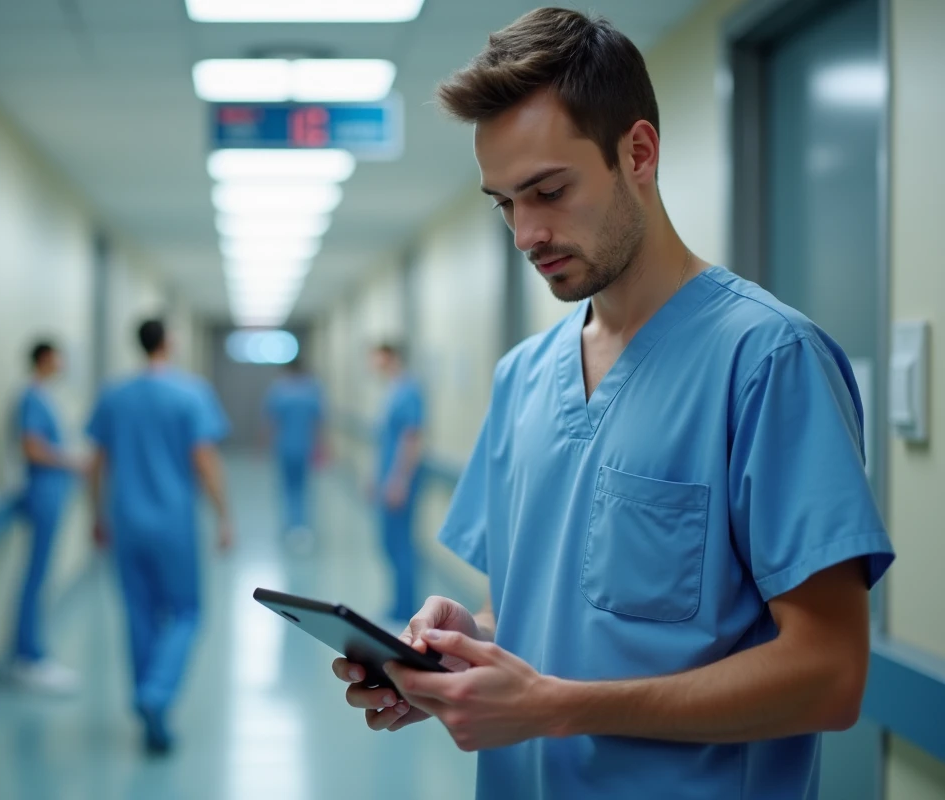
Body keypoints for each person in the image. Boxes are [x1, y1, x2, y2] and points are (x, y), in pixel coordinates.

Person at [332, 8, 895, 799]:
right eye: (504, 203)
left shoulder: (767, 363)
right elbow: (529, 619)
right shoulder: (523, 379)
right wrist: (464, 653)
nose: (526, 233)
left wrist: (554, 710)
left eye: (549, 190)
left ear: (638, 152)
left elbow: (830, 675)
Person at [86, 319, 233, 755]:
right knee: (186, 612)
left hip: (126, 523)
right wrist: (225, 516)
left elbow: (97, 463)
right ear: (168, 343)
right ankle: (156, 694)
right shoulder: (190, 393)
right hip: (174, 525)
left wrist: (97, 514)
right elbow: (204, 459)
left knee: (139, 614)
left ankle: (151, 712)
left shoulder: (114, 396)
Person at [10, 341, 83, 694]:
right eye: (57, 356)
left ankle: (33, 651)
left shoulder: (44, 396)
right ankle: (28, 656)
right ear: (42, 359)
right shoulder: (31, 397)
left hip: (53, 493)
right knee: (35, 575)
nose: (62, 363)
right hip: (43, 493)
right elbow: (32, 447)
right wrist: (72, 462)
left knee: (41, 574)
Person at [371, 343, 425, 623]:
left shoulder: (408, 391)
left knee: (401, 544)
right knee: (390, 543)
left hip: (400, 481)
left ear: (392, 356)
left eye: (377, 357)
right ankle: (400, 603)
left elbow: (411, 437)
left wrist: (399, 481)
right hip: (388, 477)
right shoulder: (392, 391)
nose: (373, 364)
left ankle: (408, 608)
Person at [264, 358, 324, 554]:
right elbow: (318, 422)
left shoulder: (279, 390)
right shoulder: (312, 390)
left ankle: (290, 528)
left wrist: (264, 444)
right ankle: (302, 528)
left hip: (285, 447)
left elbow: (272, 421)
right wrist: (322, 447)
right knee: (302, 488)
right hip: (305, 447)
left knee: (287, 488)